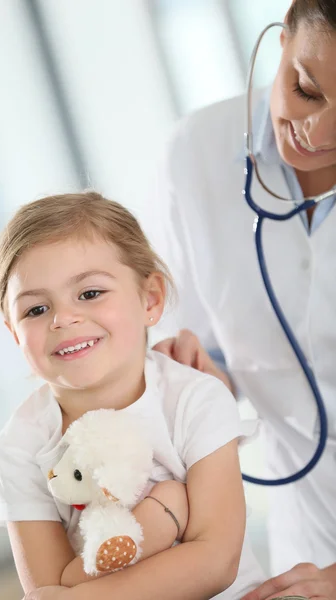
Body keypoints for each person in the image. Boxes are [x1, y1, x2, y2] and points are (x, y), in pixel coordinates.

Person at [0, 192, 265, 600]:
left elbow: (217, 561)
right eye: (35, 310)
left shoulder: (194, 398)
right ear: (14, 334)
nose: (63, 318)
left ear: (150, 299)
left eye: (89, 293)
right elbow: (47, 587)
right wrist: (162, 520)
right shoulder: (17, 449)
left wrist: (82, 594)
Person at [148, 1, 336, 599]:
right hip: (303, 538)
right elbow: (210, 349)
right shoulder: (197, 152)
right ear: (280, 43)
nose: (319, 134)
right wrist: (195, 382)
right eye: (306, 90)